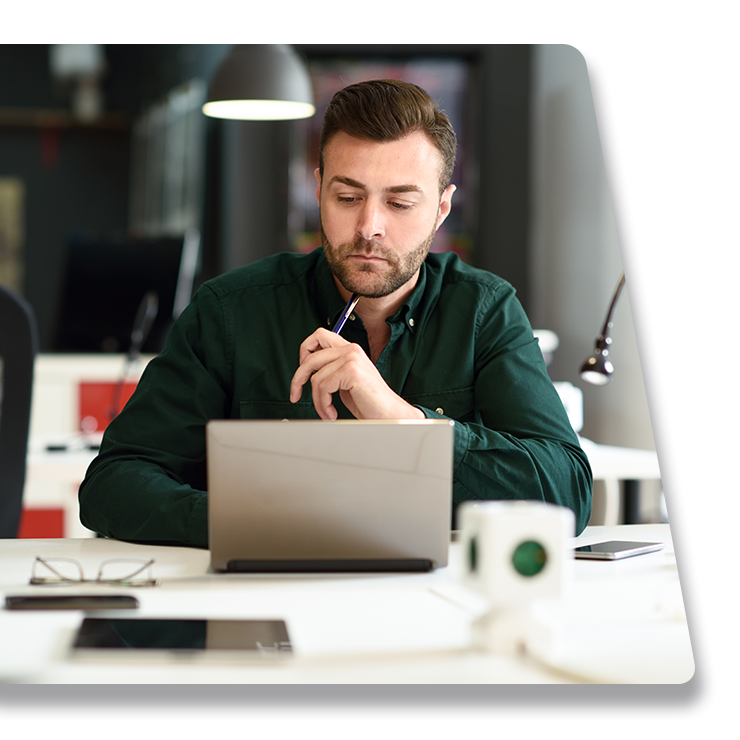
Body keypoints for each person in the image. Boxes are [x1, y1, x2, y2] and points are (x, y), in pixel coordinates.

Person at [79, 79, 592, 547]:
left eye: (400, 203)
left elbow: (566, 487)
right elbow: (113, 482)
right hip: (263, 608)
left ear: (441, 208)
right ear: (320, 189)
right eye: (348, 196)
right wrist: (251, 523)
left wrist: (401, 420)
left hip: (434, 611)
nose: (369, 226)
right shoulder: (231, 310)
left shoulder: (483, 309)